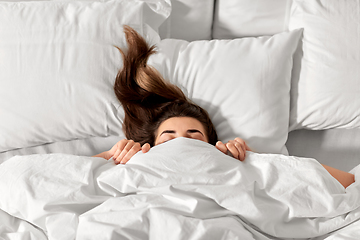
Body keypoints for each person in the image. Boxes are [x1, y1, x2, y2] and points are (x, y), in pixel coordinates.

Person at [94, 25, 355, 189]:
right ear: (150, 145)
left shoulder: (233, 166)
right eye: (168, 136)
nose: (181, 141)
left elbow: (348, 183)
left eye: (194, 135)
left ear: (212, 145)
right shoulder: (135, 162)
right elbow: (58, 179)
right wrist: (109, 158)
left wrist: (258, 160)